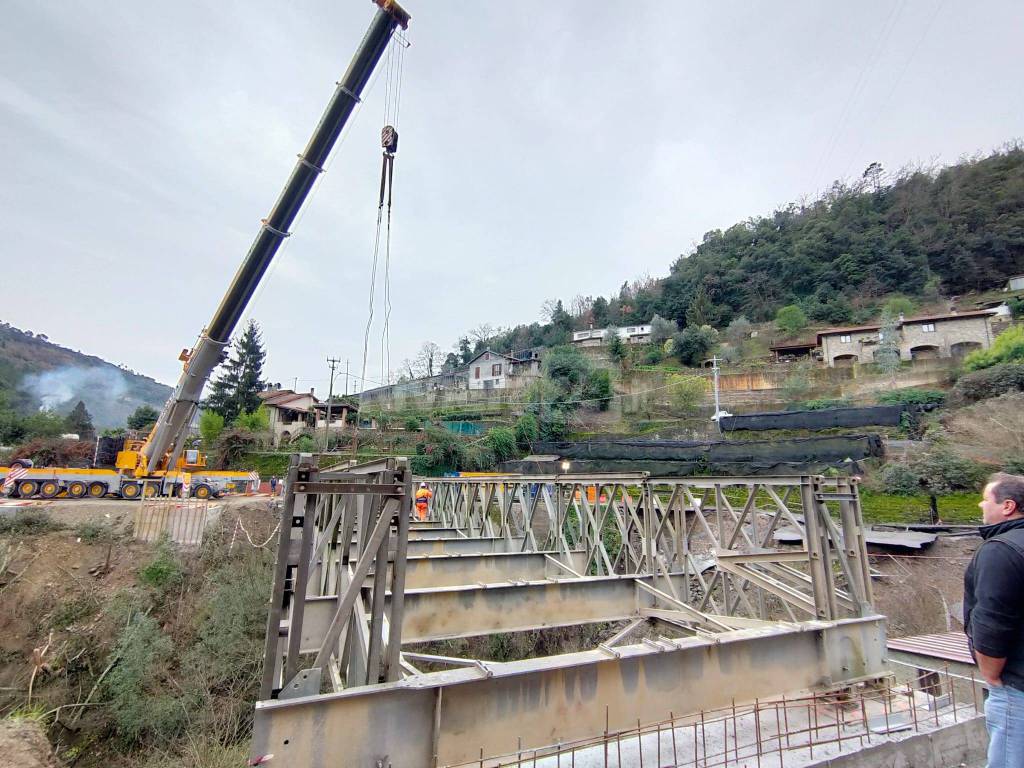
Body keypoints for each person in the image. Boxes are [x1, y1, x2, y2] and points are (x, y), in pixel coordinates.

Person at [963, 472, 1024, 767]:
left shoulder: (1000, 551)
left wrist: (992, 675)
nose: (980, 505)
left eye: (986, 499)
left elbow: (992, 622)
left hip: (1016, 687)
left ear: (1008, 506)